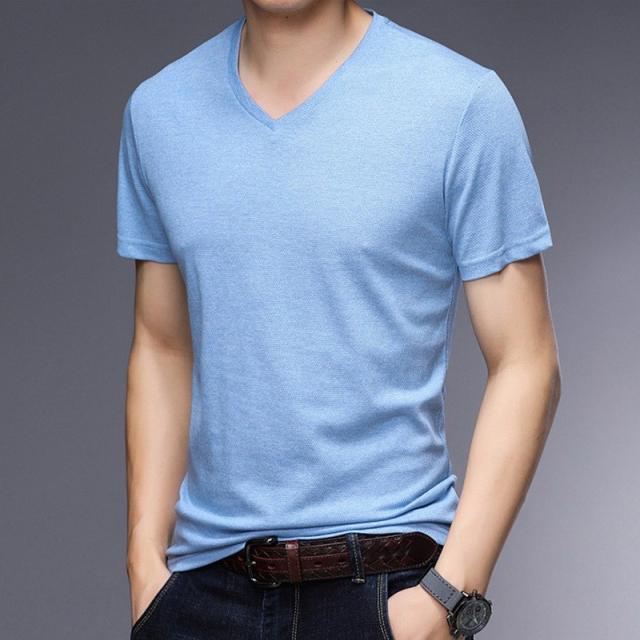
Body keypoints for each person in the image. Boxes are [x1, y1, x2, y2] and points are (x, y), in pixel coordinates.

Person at [116, 1, 561, 638]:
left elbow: (527, 360)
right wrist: (143, 561)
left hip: (386, 587)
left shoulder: (460, 102)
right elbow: (161, 346)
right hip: (202, 592)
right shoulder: (159, 111)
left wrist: (449, 593)